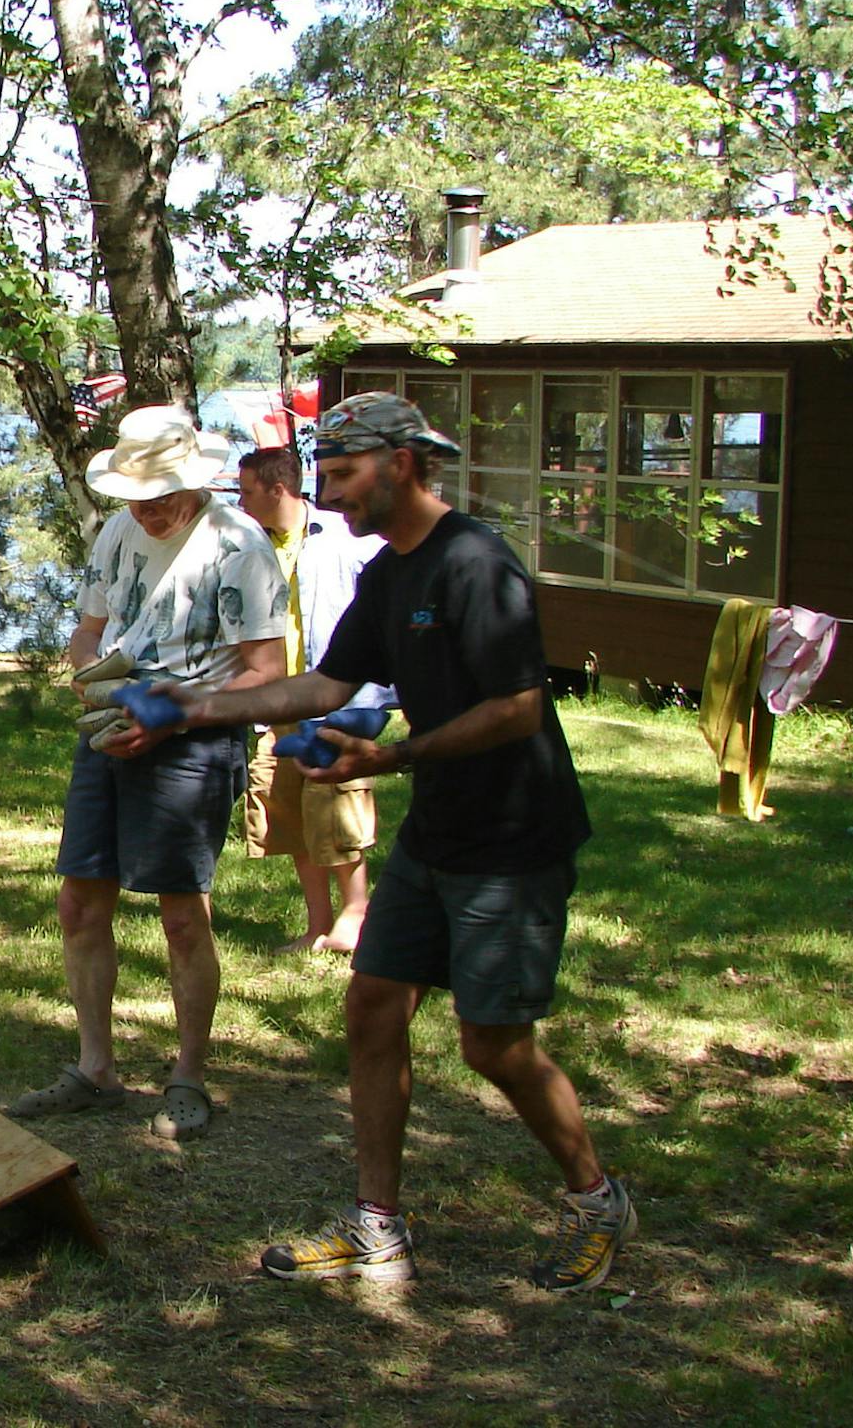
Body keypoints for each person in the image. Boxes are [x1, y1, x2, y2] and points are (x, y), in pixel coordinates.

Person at [173, 391, 632, 1292]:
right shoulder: (388, 575)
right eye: (328, 476)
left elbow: (518, 707)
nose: (334, 495)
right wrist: (202, 707)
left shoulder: (476, 565)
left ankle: (597, 1198)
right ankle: (377, 1228)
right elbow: (325, 684)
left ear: (404, 465)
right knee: (372, 1007)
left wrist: (393, 756)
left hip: (513, 837)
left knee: (494, 1046)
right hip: (440, 834)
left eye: (345, 475)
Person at [9, 405, 286, 1139]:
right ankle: (94, 1068)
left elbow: (269, 674)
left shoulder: (240, 547)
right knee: (78, 903)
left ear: (194, 483)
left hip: (195, 743)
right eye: (139, 494)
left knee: (180, 915)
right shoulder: (117, 534)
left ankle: (188, 1077)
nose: (151, 508)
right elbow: (89, 630)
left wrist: (176, 711)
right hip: (111, 731)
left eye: (164, 493)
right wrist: (96, 685)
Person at [235, 445, 393, 953]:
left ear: (277, 489)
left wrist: (379, 695)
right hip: (277, 700)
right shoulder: (249, 545)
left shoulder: (346, 539)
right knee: (290, 816)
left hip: (339, 701)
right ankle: (317, 923)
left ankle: (356, 915)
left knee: (336, 809)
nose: (240, 502)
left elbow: (384, 615)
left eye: (247, 492)